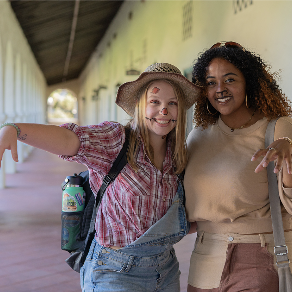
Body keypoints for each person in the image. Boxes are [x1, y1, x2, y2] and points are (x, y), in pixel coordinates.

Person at [0, 63, 200, 292]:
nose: (163, 111)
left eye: (172, 103)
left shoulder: (178, 155)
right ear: (139, 105)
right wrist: (15, 129)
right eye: (154, 102)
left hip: (165, 271)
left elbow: (171, 219)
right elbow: (70, 140)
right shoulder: (117, 141)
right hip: (114, 272)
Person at [184, 42, 292, 292]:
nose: (220, 89)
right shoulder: (198, 136)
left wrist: (289, 156)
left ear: (249, 82)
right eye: (211, 82)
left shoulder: (278, 129)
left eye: (229, 79)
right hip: (205, 257)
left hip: (259, 255)